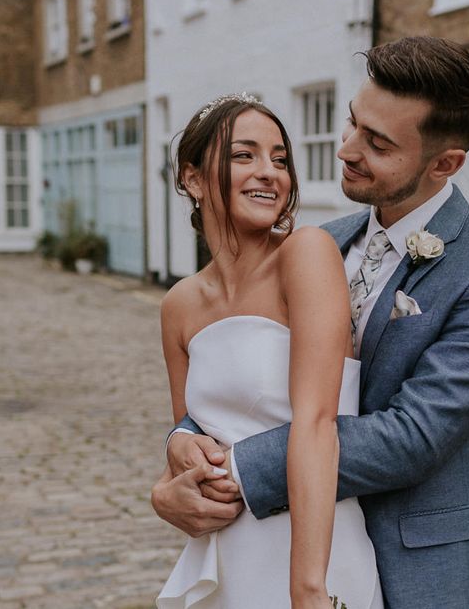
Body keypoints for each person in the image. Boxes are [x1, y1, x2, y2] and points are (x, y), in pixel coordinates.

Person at [153, 37, 469, 608]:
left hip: (419, 567)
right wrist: (179, 452)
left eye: (378, 143)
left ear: (445, 164)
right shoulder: (319, 244)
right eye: (353, 124)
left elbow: (414, 436)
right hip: (275, 542)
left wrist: (235, 468)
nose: (347, 150)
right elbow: (239, 378)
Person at [154, 93, 384, 608]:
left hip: (312, 548)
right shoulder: (179, 305)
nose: (269, 173)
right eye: (244, 156)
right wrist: (171, 472)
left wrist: (308, 589)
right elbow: (193, 437)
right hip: (225, 552)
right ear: (192, 179)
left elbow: (318, 424)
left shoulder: (305, 255)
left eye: (279, 159)